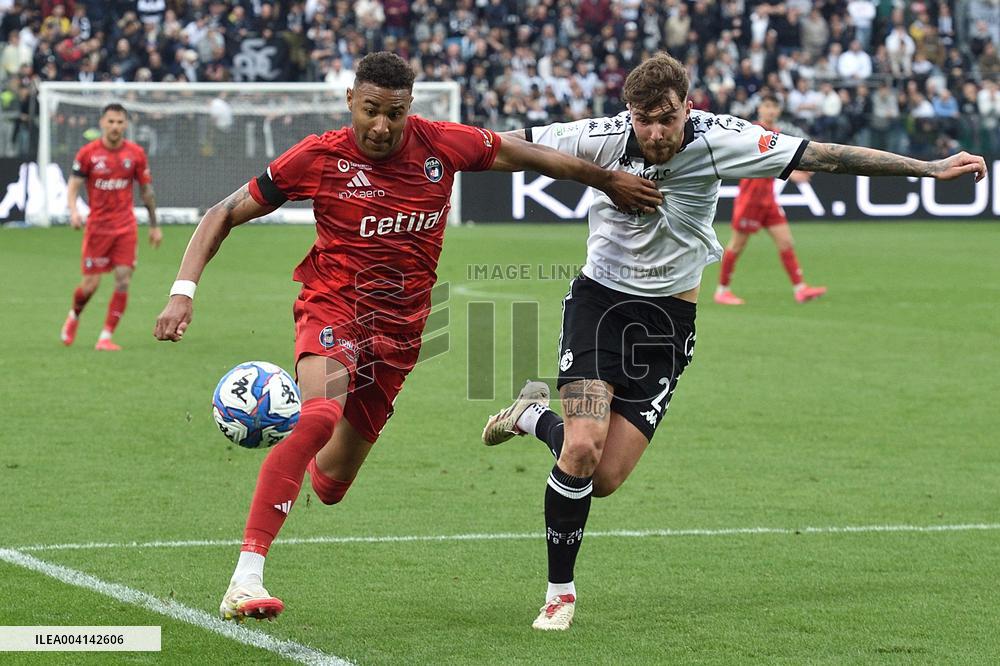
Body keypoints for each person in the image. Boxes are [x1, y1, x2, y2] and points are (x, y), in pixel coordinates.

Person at [481, 52, 986, 631]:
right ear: (628, 114)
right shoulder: (600, 138)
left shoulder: (723, 139)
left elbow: (822, 155)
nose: (655, 133)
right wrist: (421, 151)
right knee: (582, 448)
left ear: (688, 108)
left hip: (668, 323)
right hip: (600, 307)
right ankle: (560, 594)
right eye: (644, 120)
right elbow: (505, 146)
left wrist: (928, 168)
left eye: (667, 119)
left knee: (605, 478)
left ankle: (531, 416)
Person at [152, 52, 661, 623]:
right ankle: (246, 577)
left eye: (394, 113)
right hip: (333, 308)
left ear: (409, 107)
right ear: (351, 100)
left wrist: (606, 179)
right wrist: (182, 292)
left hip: (400, 337)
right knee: (318, 417)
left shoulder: (441, 144)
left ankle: (291, 458)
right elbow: (222, 212)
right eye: (370, 110)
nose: (381, 126)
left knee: (331, 484)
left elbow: (532, 156)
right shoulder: (317, 157)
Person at [60, 103, 160, 351]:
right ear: (102, 123)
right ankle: (74, 315)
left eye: (120, 122)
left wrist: (154, 225)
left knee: (123, 279)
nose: (115, 126)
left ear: (126, 125)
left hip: (125, 227)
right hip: (97, 228)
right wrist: (74, 211)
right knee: (90, 286)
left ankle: (105, 337)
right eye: (111, 121)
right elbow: (73, 186)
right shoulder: (88, 153)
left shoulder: (135, 153)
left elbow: (146, 191)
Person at [715, 95, 827, 305]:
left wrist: (797, 170)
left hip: (768, 199)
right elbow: (764, 161)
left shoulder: (775, 132)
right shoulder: (754, 131)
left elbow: (778, 161)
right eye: (767, 106)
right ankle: (722, 291)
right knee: (737, 245)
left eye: (774, 106)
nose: (771, 110)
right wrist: (793, 174)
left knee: (786, 241)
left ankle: (800, 289)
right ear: (759, 109)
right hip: (751, 198)